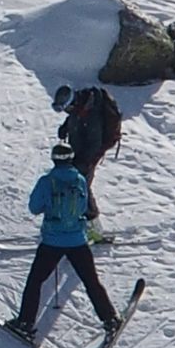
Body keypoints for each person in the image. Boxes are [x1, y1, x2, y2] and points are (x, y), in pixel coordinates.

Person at [5, 142, 121, 340]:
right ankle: (109, 318)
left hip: (52, 241)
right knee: (91, 281)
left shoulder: (46, 181)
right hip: (77, 240)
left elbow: (34, 207)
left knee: (35, 281)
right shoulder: (80, 180)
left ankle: (25, 322)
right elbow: (84, 206)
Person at [52, 84, 120, 235]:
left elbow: (94, 143)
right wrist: (65, 127)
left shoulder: (91, 114)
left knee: (82, 188)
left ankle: (94, 229)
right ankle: (76, 221)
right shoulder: (80, 107)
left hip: (88, 157)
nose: (68, 111)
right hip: (77, 153)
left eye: (67, 108)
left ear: (73, 102)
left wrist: (85, 162)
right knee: (73, 186)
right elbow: (74, 117)